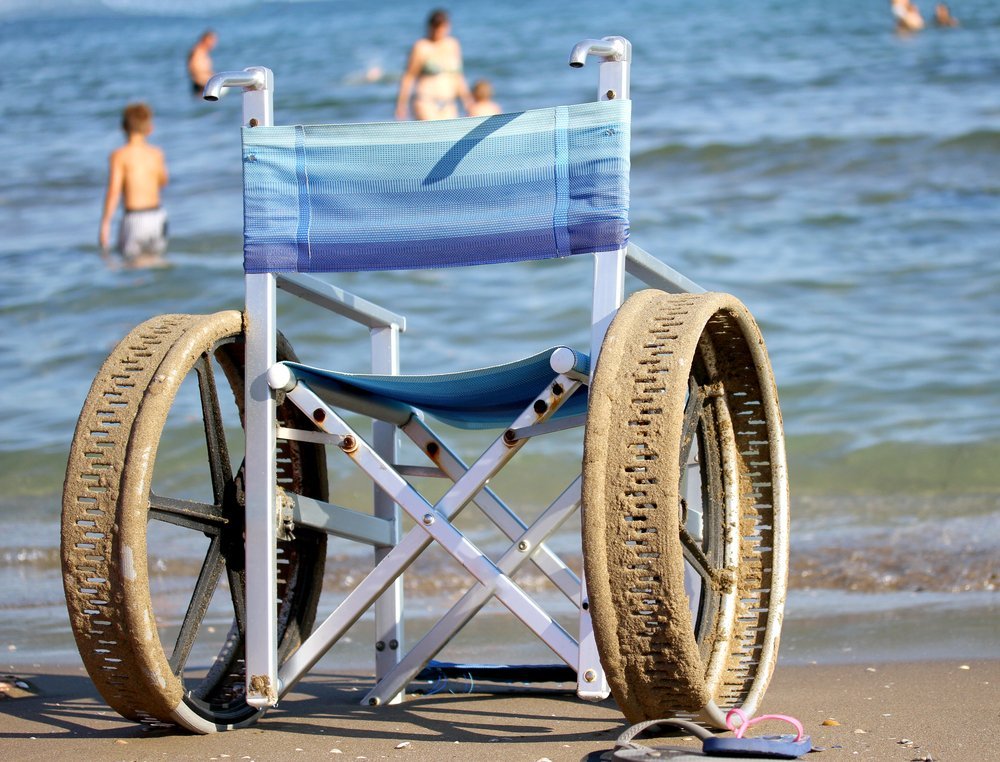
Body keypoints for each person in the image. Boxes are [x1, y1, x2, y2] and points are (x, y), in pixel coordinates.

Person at [99, 103, 169, 268]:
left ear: (123, 127)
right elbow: (163, 181)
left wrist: (105, 223)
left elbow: (114, 191)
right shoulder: (156, 154)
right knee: (156, 262)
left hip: (134, 218)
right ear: (149, 128)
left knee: (132, 266)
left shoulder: (119, 156)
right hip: (157, 215)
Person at [395, 9, 471, 120]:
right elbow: (409, 76)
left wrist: (468, 102)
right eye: (435, 27)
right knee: (432, 135)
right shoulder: (421, 46)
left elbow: (458, 77)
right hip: (426, 102)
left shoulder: (453, 45)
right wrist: (401, 104)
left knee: (451, 136)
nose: (438, 31)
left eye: (441, 27)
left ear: (448, 26)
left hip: (449, 103)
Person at [187, 29, 217, 95]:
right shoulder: (197, 52)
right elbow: (194, 70)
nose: (214, 43)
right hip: (201, 86)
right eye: (212, 40)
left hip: (204, 85)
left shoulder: (204, 52)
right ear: (206, 40)